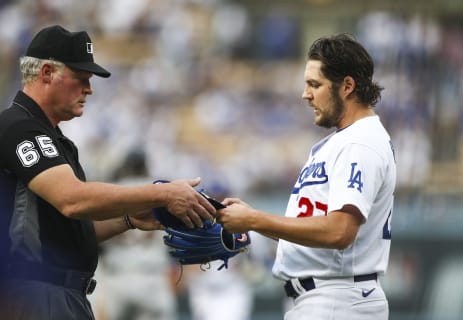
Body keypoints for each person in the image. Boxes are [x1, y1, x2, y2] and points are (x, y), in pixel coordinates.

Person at [0, 25, 216, 320]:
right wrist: (162, 193)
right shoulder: (19, 127)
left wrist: (129, 218)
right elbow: (72, 200)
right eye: (80, 79)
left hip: (58, 293)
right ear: (47, 73)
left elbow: (69, 227)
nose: (89, 89)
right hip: (34, 294)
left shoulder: (53, 138)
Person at [217, 33, 396, 320]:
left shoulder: (360, 143)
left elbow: (339, 232)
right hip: (325, 298)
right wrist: (253, 221)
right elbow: (315, 229)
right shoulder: (344, 141)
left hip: (337, 300)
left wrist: (254, 220)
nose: (305, 94)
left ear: (347, 86)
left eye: (315, 84)